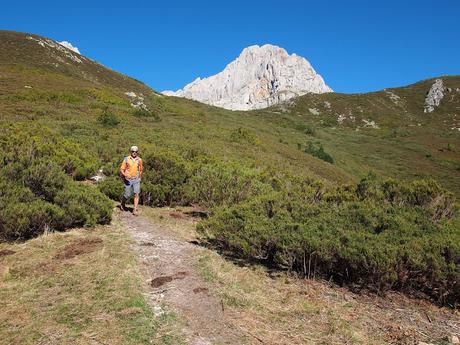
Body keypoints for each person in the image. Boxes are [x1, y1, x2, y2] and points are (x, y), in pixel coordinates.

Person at [120, 146, 143, 215]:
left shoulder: (139, 160)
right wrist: (125, 175)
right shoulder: (126, 159)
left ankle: (135, 209)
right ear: (130, 152)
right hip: (128, 180)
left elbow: (141, 169)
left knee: (136, 193)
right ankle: (122, 203)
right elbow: (122, 169)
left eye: (136, 151)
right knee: (127, 194)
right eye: (133, 151)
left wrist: (139, 176)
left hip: (136, 179)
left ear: (137, 152)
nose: (134, 153)